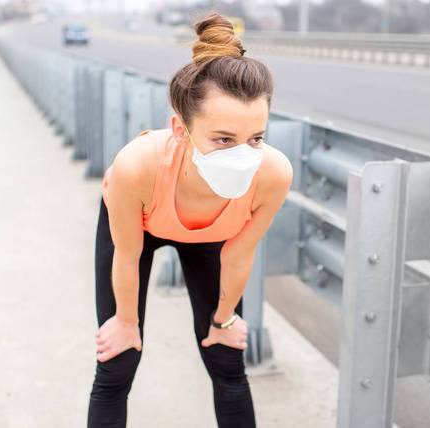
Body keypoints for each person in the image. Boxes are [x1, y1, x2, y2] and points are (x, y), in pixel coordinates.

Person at [87, 10, 293, 428]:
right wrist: (126, 321)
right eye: (223, 139)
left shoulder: (272, 173)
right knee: (118, 361)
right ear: (180, 130)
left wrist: (224, 319)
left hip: (210, 239)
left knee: (226, 359)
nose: (243, 155)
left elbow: (239, 252)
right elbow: (127, 256)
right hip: (139, 226)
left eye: (256, 138)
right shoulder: (136, 166)